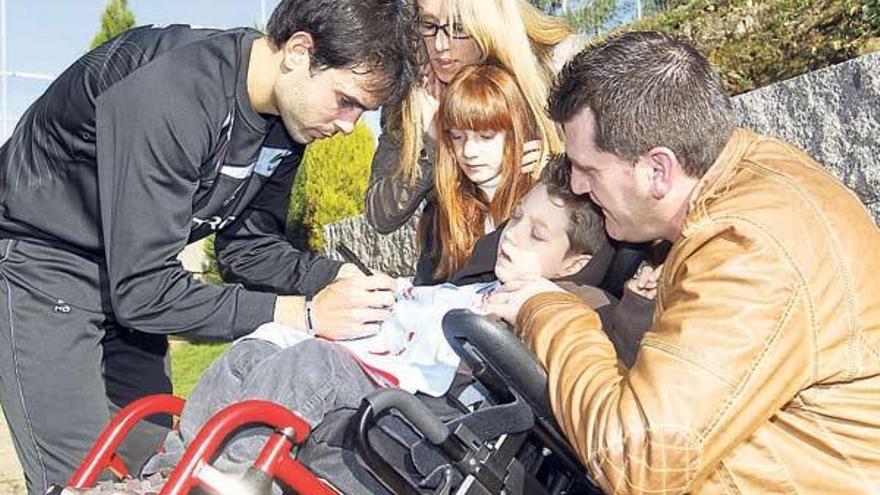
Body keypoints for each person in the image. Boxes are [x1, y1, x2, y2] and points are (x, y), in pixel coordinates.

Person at [0, 1, 421, 492]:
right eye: (346, 101)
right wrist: (303, 315)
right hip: (46, 263)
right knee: (80, 479)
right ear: (300, 52)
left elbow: (248, 249)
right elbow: (144, 291)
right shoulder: (173, 91)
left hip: (131, 281)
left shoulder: (285, 123)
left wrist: (337, 280)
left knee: (159, 464)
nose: (349, 126)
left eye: (363, 112)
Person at [486, 31, 880, 494]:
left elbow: (639, 462)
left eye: (589, 170)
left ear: (658, 170)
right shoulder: (747, 183)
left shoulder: (747, 247)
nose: (575, 186)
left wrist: (545, 308)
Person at [133, 156, 652, 495]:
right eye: (515, 219)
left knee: (312, 365)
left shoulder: (568, 305)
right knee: (249, 354)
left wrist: (635, 305)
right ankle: (165, 479)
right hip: (381, 382)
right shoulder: (474, 284)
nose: (514, 236)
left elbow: (614, 349)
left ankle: (221, 483)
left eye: (537, 235)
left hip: (429, 428)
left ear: (571, 263)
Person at [365, 0, 579, 236]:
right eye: (429, 24)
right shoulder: (414, 93)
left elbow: (607, 168)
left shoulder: (553, 66)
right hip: (455, 252)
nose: (440, 45)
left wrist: (556, 167)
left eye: (458, 28)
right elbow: (381, 214)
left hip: (540, 245)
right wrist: (429, 141)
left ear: (487, 23)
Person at [415, 64, 537, 284]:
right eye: (457, 137)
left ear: (515, 133)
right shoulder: (439, 214)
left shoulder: (543, 199)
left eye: (486, 136)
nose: (468, 152)